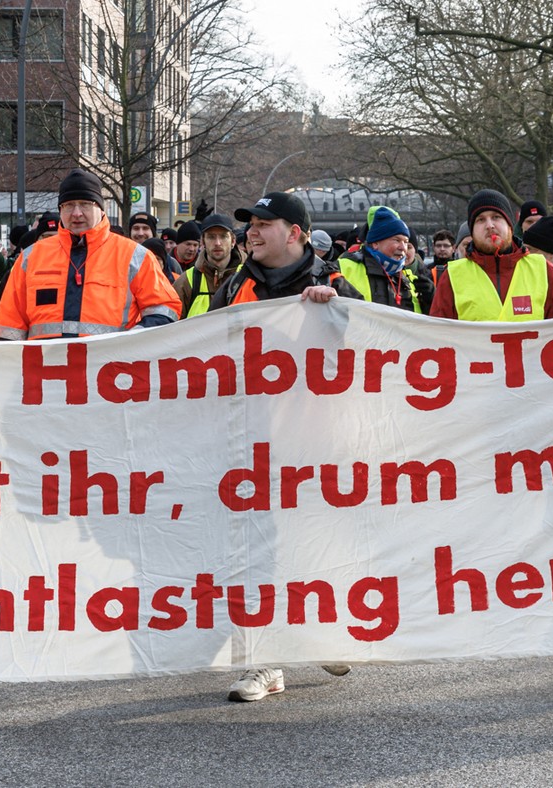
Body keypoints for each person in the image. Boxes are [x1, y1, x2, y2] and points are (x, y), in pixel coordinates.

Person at [208, 192, 362, 701]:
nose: (250, 233)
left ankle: (319, 629)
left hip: (317, 446)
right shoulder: (236, 284)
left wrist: (336, 314)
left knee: (314, 547)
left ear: (295, 233)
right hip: (250, 441)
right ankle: (265, 662)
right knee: (254, 553)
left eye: (263, 225)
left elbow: (378, 344)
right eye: (249, 225)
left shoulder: (336, 285)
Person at [0, 169, 180, 340]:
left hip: (109, 372)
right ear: (60, 210)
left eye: (85, 204)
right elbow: (9, 327)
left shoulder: (134, 256)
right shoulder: (30, 258)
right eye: (68, 205)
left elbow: (165, 310)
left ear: (100, 209)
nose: (76, 213)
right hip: (46, 373)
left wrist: (131, 342)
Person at [430, 189, 553, 322]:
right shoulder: (453, 276)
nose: (490, 225)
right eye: (480, 219)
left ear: (510, 225)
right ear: (472, 231)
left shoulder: (544, 271)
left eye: (496, 217)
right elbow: (440, 336)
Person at [335, 206, 434, 314]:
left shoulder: (411, 279)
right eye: (396, 240)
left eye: (405, 242)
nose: (403, 247)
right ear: (376, 243)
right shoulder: (342, 268)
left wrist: (432, 300)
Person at [176, 213, 241, 318]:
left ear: (233, 241)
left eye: (223, 236)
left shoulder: (247, 277)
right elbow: (171, 328)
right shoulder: (186, 281)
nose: (217, 243)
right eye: (211, 237)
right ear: (203, 242)